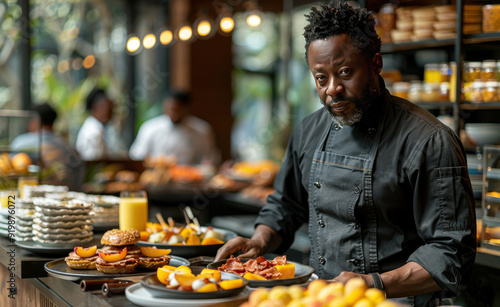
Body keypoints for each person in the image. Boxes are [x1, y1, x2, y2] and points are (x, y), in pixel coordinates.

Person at [215, 2, 476, 306]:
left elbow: (450, 252)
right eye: (321, 78)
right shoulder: (309, 131)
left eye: (345, 72)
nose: (332, 89)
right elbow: (285, 205)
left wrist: (371, 284)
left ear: (376, 64)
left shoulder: (429, 141)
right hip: (321, 298)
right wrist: (259, 239)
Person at [129, 91, 220, 165]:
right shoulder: (150, 128)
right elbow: (137, 155)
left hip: (190, 180)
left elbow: (209, 157)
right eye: (168, 109)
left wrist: (208, 164)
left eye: (176, 110)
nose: (172, 114)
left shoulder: (202, 129)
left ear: (186, 108)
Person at [11, 103, 85, 191]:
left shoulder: (21, 142)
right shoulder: (64, 144)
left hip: (29, 191)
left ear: (35, 121)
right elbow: (79, 167)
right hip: (62, 192)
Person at [75, 87, 127, 160]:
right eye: (109, 107)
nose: (112, 111)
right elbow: (94, 162)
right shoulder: (93, 131)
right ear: (98, 107)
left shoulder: (101, 127)